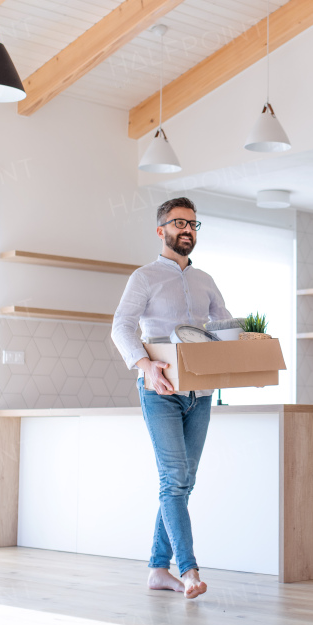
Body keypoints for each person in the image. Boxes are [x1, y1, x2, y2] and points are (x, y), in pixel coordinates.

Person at [111, 197, 230, 599]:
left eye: (194, 224)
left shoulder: (206, 281)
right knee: (175, 480)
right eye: (179, 223)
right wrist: (144, 364)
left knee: (181, 482)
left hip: (200, 392)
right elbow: (121, 326)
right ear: (160, 230)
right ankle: (189, 571)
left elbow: (224, 326)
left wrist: (246, 340)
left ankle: (158, 569)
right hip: (160, 390)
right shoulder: (144, 278)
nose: (188, 230)